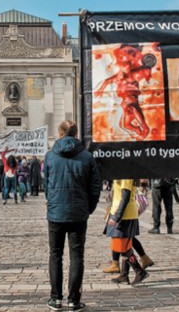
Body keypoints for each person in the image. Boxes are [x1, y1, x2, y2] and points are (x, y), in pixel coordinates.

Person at [44, 120, 101, 311]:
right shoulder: (87, 156)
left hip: (56, 214)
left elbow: (46, 187)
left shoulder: (50, 156)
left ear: (60, 134)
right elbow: (95, 187)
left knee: (55, 255)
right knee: (77, 256)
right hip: (78, 214)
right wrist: (88, 209)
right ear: (76, 135)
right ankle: (74, 300)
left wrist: (52, 204)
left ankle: (55, 299)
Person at [104, 179, 149, 285]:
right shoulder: (121, 175)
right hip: (122, 214)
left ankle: (139, 271)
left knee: (122, 247)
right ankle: (124, 275)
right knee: (125, 246)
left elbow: (125, 197)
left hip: (125, 216)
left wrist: (116, 217)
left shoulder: (126, 176)